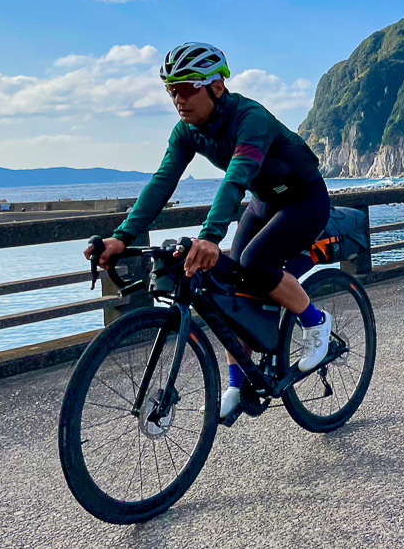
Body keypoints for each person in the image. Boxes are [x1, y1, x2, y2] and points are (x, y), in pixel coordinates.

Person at [86, 42, 332, 421]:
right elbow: (161, 183)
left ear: (216, 86)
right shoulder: (186, 131)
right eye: (171, 90)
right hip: (264, 201)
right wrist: (122, 237)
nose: (177, 99)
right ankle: (237, 381)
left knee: (254, 261)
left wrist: (210, 236)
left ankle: (316, 323)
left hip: (304, 199)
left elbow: (236, 178)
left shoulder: (250, 118)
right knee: (229, 285)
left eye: (186, 88)